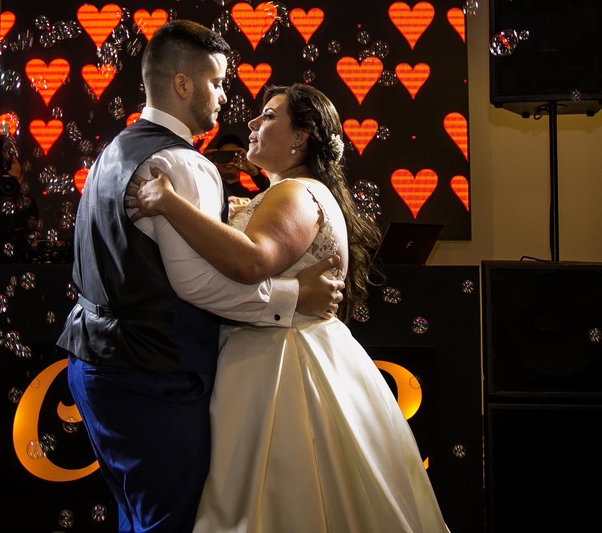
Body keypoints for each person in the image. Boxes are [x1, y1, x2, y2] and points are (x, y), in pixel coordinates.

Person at [56, 21, 345, 533]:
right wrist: (293, 295)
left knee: (137, 514)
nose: (226, 97)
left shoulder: (115, 149)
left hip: (92, 359)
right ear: (183, 84)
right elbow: (197, 284)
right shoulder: (185, 164)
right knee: (168, 519)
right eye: (217, 82)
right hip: (152, 374)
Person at [126, 83, 451, 533]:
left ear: (300, 137)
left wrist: (167, 201)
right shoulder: (293, 191)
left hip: (280, 369)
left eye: (269, 116)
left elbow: (250, 261)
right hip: (289, 352)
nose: (252, 122)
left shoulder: (295, 192)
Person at [203, 131, 269, 206]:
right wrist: (201, 164)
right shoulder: (207, 191)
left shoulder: (250, 196)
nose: (229, 162)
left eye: (233, 156)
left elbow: (273, 193)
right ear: (216, 158)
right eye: (224, 156)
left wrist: (254, 172)